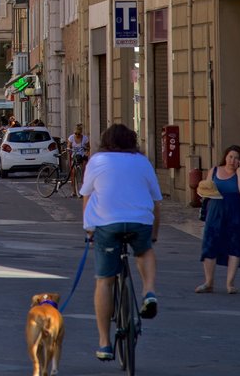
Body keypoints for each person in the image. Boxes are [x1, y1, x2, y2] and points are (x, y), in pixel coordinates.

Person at [80, 123, 162, 361]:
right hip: (140, 221)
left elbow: (86, 197)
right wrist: (154, 234)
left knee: (104, 281)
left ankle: (105, 343)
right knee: (144, 251)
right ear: (132, 142)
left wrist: (88, 230)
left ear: (105, 141)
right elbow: (157, 202)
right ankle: (149, 291)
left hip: (107, 223)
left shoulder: (97, 161)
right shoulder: (142, 162)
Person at [196, 145, 240, 294]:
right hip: (215, 212)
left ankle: (230, 283)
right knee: (210, 246)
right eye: (230, 156)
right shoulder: (215, 171)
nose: (232, 160)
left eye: (236, 158)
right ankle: (208, 282)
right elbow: (206, 190)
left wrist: (239, 173)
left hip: (235, 213)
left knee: (234, 246)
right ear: (225, 157)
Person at [68, 123, 91, 198]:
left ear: (81, 133)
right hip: (74, 156)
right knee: (73, 173)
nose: (77, 135)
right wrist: (69, 149)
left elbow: (88, 147)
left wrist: (87, 152)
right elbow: (69, 146)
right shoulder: (71, 138)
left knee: (84, 171)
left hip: (82, 156)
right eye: (76, 133)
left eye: (78, 134)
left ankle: (83, 189)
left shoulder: (85, 138)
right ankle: (73, 191)